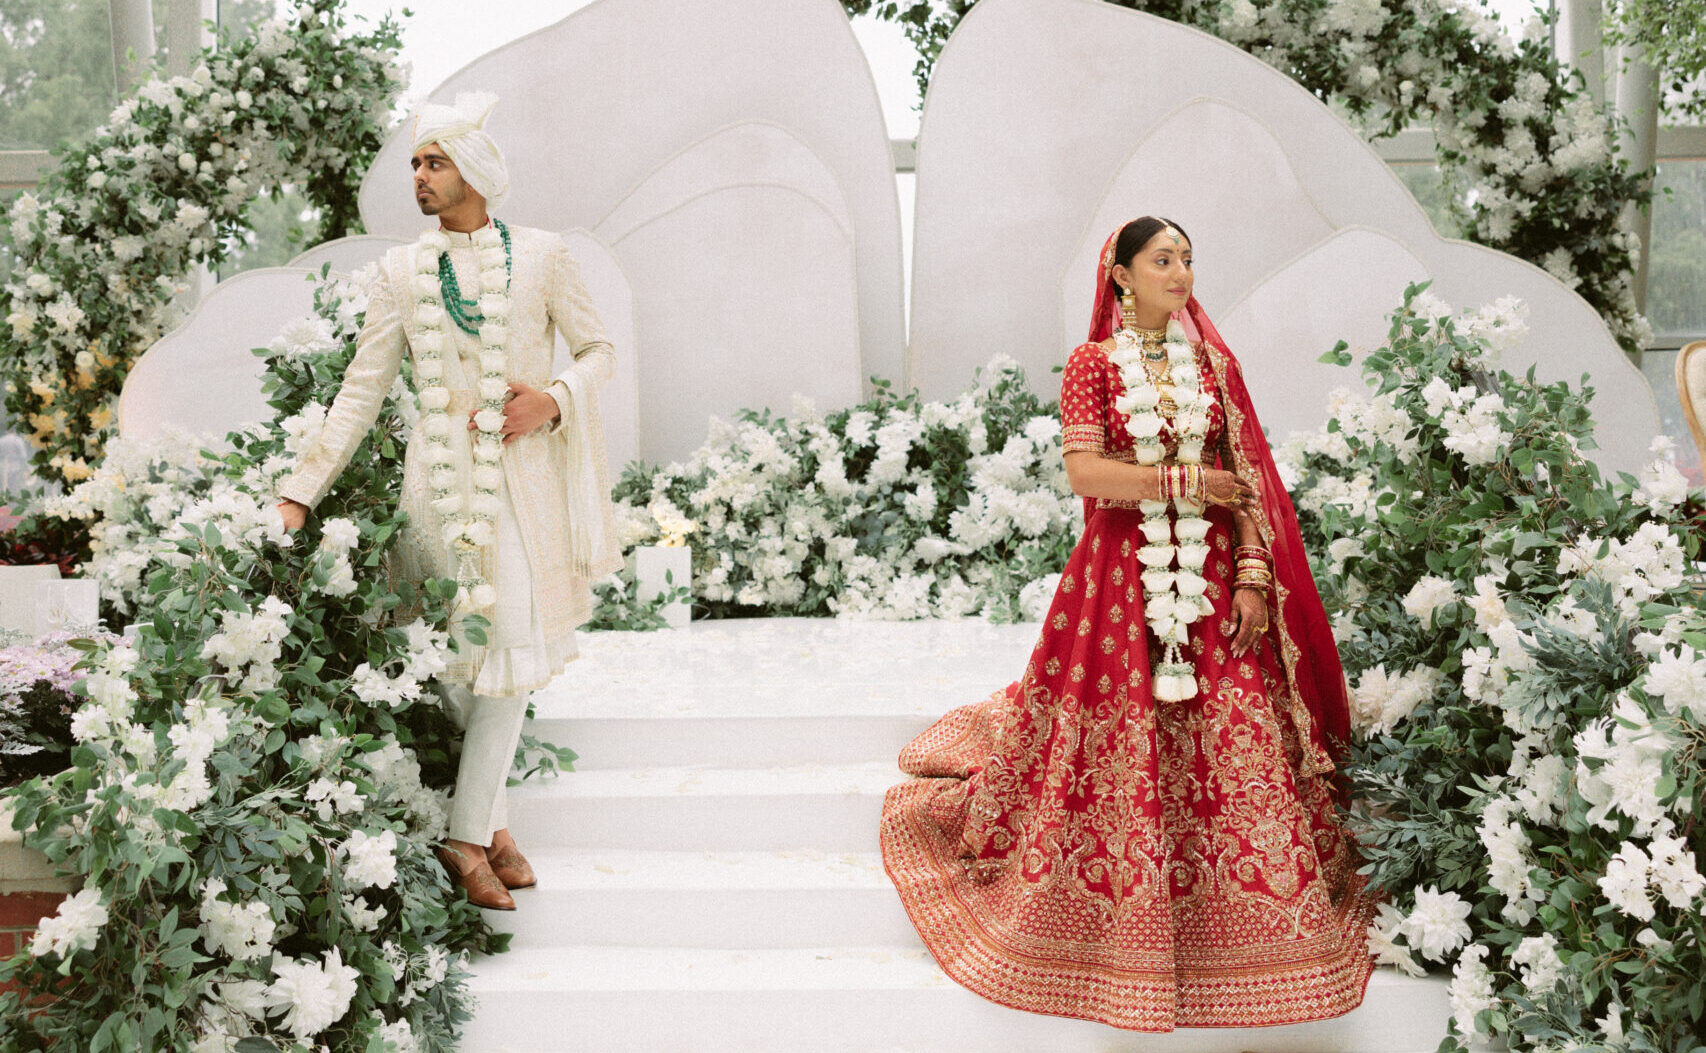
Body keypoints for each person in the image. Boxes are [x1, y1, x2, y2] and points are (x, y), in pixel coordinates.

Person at [879, 217, 1375, 1030]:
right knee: (1115, 738)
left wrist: (1253, 571)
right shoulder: (1091, 366)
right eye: (1163, 259)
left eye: (1187, 259)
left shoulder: (1213, 365)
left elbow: (1242, 480)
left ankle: (1241, 913)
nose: (1180, 272)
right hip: (1118, 584)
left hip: (1214, 578)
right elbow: (1086, 472)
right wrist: (1190, 482)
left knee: (1237, 739)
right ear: (1121, 275)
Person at [276, 92, 622, 911]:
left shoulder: (541, 256)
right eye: (416, 165)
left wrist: (556, 398)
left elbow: (600, 348)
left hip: (523, 487)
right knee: (463, 664)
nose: (421, 179)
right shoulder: (401, 271)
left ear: (477, 169)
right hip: (437, 490)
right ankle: (493, 826)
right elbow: (360, 393)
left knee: (507, 647)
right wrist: (299, 491)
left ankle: (466, 834)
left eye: (434, 162)